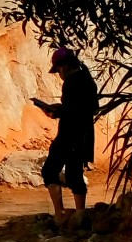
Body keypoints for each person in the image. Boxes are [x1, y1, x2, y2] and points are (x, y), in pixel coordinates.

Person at [32, 46, 100, 224]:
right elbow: (89, 108)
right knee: (74, 174)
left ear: (64, 66)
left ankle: (60, 213)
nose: (59, 74)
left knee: (49, 170)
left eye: (59, 70)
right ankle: (81, 215)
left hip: (69, 133)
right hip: (85, 133)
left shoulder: (71, 83)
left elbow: (72, 110)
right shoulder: (87, 79)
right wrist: (62, 108)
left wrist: (56, 112)